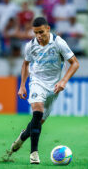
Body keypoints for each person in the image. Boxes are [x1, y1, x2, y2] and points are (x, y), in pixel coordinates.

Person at [8, 17, 79, 164]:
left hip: (54, 87)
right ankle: (34, 153)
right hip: (37, 82)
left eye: (41, 32)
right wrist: (22, 85)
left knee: (38, 122)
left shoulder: (58, 43)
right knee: (37, 109)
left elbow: (75, 63)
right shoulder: (31, 45)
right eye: (35, 33)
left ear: (48, 29)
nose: (38, 36)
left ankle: (22, 137)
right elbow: (25, 64)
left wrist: (63, 81)